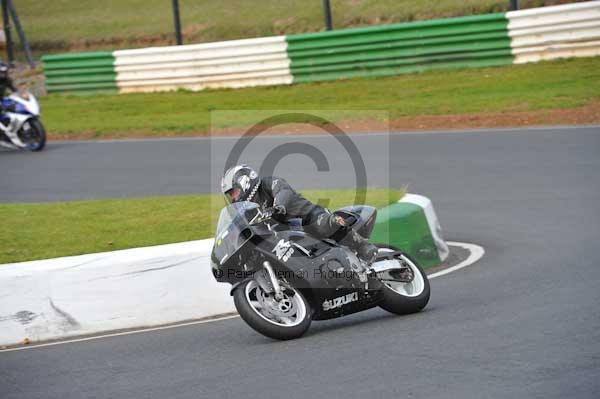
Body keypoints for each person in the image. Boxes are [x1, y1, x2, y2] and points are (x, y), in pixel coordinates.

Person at [221, 164, 379, 265]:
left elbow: (284, 192)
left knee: (327, 224)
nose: (234, 198)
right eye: (230, 196)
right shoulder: (248, 210)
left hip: (308, 219)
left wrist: (278, 206)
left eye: (233, 193)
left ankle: (362, 246)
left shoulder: (268, 183)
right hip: (284, 235)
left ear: (244, 181)